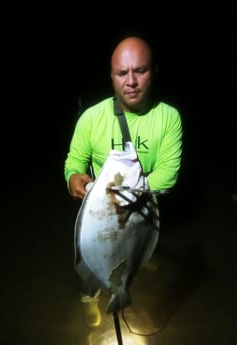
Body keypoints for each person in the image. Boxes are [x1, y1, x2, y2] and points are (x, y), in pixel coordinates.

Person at [64, 35, 183, 327]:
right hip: (100, 216)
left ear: (154, 72)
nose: (131, 81)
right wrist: (73, 179)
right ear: (112, 76)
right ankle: (89, 296)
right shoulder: (92, 117)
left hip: (140, 213)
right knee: (89, 268)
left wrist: (121, 193)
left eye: (139, 71)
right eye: (122, 73)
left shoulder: (168, 117)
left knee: (132, 260)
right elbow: (74, 161)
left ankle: (125, 284)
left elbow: (167, 175)